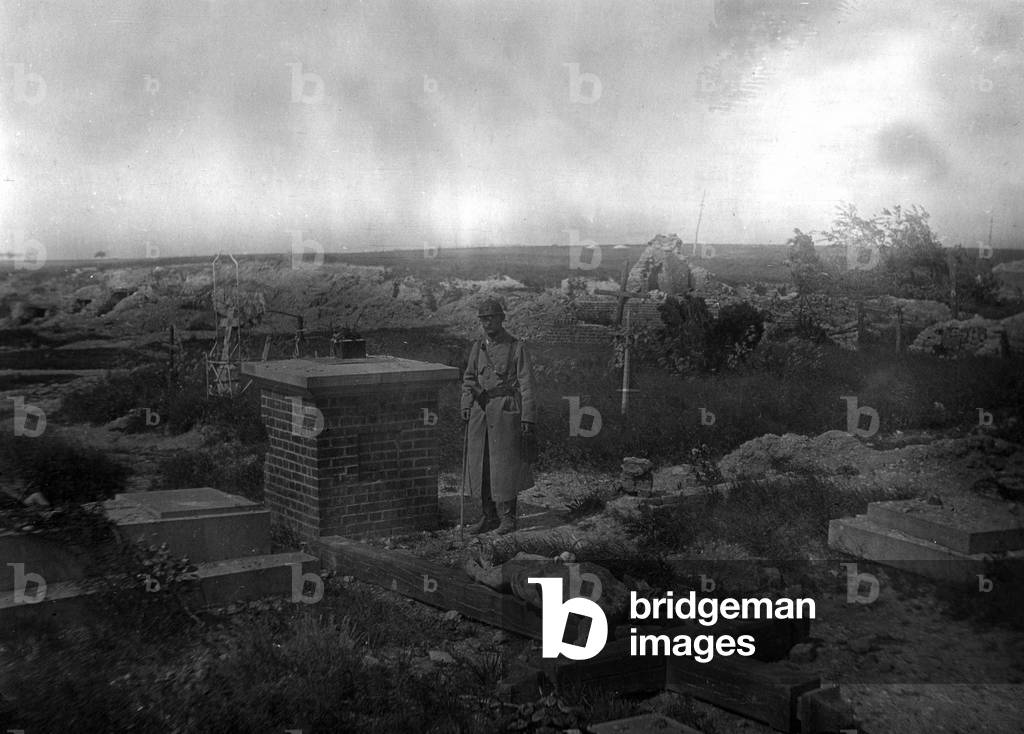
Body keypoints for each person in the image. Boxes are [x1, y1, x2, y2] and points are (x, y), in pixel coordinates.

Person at [461, 297, 536, 535]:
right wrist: (466, 404)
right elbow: (469, 378)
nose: (487, 323)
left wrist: (527, 417)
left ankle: (508, 519)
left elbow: (527, 385)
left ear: (502, 319)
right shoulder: (478, 347)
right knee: (480, 465)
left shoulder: (516, 347)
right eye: (483, 319)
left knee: (504, 465)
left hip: (505, 411)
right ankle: (488, 516)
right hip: (480, 412)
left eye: (491, 318)